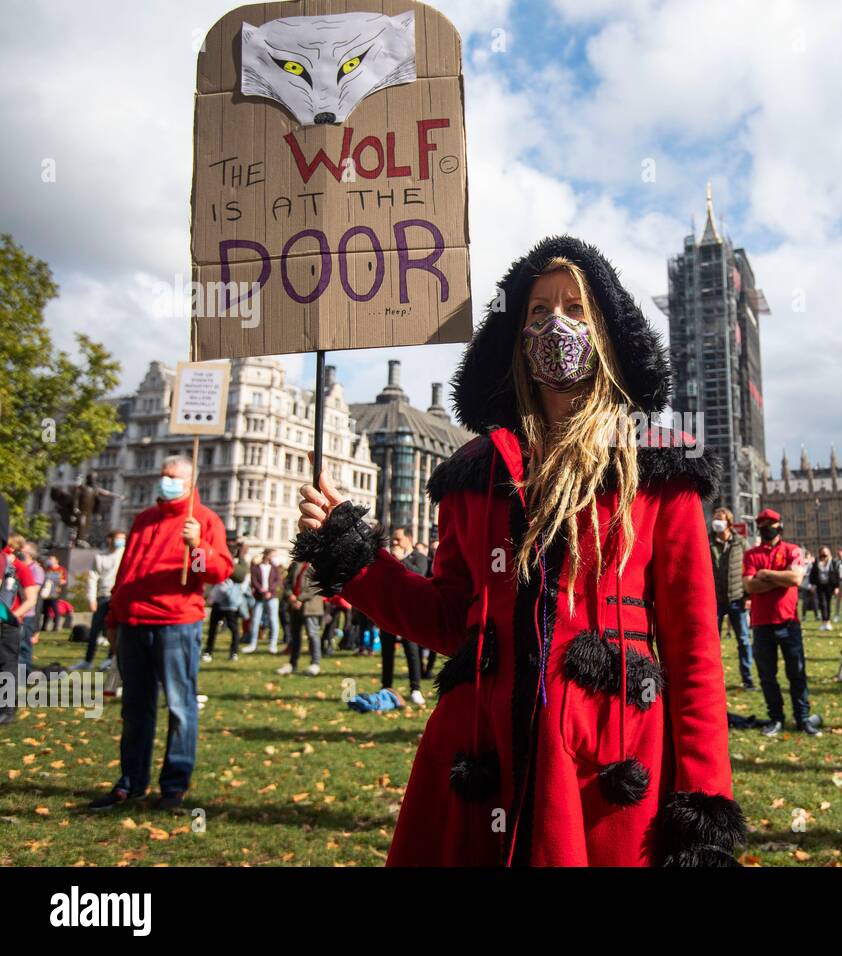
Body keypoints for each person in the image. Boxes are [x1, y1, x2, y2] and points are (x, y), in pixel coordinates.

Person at [293, 236, 741, 866]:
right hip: (484, 753)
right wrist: (357, 561)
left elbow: (694, 651)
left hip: (605, 768)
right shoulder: (474, 472)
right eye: (538, 310)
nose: (556, 323)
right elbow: (452, 620)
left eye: (575, 308)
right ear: (515, 333)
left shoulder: (662, 468)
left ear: (606, 330)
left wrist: (703, 806)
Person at [87, 455, 233, 812]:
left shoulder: (204, 521)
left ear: (189, 482)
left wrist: (197, 546)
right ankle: (131, 782)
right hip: (134, 624)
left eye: (172, 477)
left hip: (176, 623)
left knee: (181, 707)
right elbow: (128, 572)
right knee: (136, 708)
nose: (164, 481)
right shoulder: (144, 520)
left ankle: (174, 787)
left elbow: (216, 573)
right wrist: (115, 617)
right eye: (163, 475)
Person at [745, 508, 821, 737]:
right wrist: (781, 579)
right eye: (763, 525)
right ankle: (775, 718)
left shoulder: (792, 550)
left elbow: (796, 578)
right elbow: (749, 585)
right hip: (761, 624)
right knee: (767, 676)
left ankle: (803, 718)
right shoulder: (751, 554)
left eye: (771, 524)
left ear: (779, 526)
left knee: (796, 672)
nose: (767, 528)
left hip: (789, 622)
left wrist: (765, 574)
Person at [378, 529, 427, 706]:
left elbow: (418, 576)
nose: (395, 543)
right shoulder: (388, 559)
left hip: (409, 613)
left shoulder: (418, 557)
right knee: (387, 651)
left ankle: (415, 688)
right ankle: (386, 687)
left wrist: (401, 560)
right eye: (393, 540)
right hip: (389, 612)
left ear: (409, 539)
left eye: (398, 539)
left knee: (412, 652)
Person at [710, 506, 754, 690]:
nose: (716, 522)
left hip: (737, 598)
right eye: (714, 519)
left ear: (728, 522)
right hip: (715, 601)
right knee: (713, 643)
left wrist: (748, 595)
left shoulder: (740, 543)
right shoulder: (707, 542)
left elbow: (749, 569)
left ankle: (747, 678)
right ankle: (714, 679)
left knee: (743, 640)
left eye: (719, 518)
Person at [70, 529, 127, 672]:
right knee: (95, 628)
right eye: (118, 539)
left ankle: (110, 658)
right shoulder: (100, 557)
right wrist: (91, 598)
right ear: (110, 539)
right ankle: (88, 660)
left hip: (119, 596)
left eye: (123, 539)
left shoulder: (125, 554)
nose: (120, 542)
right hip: (103, 595)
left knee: (114, 629)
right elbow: (92, 578)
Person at [1, 533, 40, 726]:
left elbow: (31, 598)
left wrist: (13, 616)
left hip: (9, 624)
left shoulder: (20, 568)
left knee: (7, 664)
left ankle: (6, 709)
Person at [277, 558, 323, 676]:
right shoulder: (296, 564)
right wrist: (290, 596)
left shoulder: (318, 564)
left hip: (310, 606)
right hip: (294, 606)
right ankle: (293, 663)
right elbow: (287, 582)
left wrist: (300, 598)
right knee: (295, 636)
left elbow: (316, 586)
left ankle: (315, 663)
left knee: (312, 635)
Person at [245, 549, 283, 654]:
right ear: (267, 555)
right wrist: (261, 589)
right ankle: (253, 643)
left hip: (272, 597)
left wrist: (270, 591)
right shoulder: (256, 568)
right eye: (273, 555)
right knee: (256, 620)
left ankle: (273, 644)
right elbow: (254, 581)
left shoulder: (275, 568)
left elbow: (278, 581)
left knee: (273, 620)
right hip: (259, 597)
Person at [203, 576, 243, 661]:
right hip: (218, 604)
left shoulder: (237, 569)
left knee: (234, 629)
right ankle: (208, 651)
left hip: (230, 605)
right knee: (212, 629)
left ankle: (233, 652)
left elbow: (241, 576)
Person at [809, 546, 840, 631]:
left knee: (828, 603)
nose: (824, 557)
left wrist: (837, 587)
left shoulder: (833, 562)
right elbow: (813, 573)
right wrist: (812, 584)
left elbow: (836, 575)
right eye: (822, 555)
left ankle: (828, 622)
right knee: (822, 603)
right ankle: (824, 622)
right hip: (820, 585)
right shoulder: (816, 562)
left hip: (829, 585)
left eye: (825, 555)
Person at [832, 547, 842, 623]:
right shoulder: (836, 561)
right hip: (839, 581)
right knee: (838, 599)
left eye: (839, 552)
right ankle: (836, 615)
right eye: (837, 552)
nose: (838, 554)